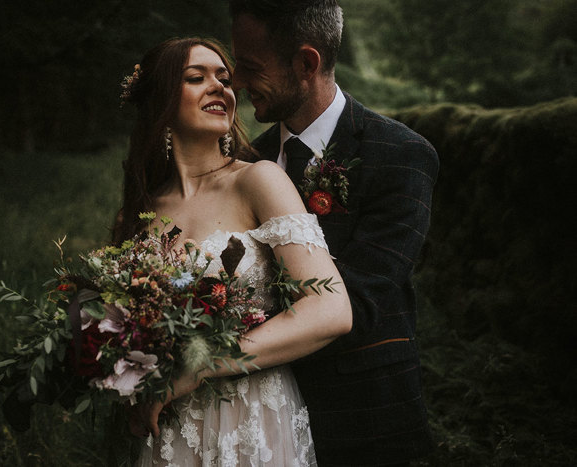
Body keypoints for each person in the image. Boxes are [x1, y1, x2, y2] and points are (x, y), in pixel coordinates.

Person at [141, 1, 440, 465]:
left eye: (250, 67)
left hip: (364, 419)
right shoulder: (245, 162)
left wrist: (203, 352)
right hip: (241, 421)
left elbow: (358, 300)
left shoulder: (399, 154)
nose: (235, 81)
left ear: (306, 63)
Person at [115, 37, 352, 466]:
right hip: (167, 428)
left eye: (224, 78)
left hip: (249, 416)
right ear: (161, 100)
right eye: (196, 77)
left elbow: (331, 309)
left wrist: (199, 368)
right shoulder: (140, 212)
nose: (220, 87)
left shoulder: (258, 181)